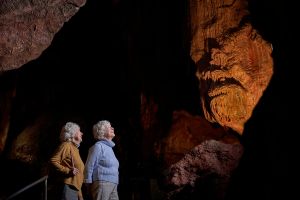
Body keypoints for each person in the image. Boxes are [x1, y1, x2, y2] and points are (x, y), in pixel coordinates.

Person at [84, 120, 119, 200]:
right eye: (109, 127)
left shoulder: (110, 149)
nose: (112, 128)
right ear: (102, 131)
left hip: (114, 184)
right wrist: (88, 183)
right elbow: (89, 165)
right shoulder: (98, 146)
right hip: (102, 183)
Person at [49, 122, 85, 200]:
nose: (82, 133)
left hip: (74, 189)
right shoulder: (66, 145)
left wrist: (80, 195)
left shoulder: (75, 149)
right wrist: (68, 170)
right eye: (79, 131)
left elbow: (77, 176)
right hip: (68, 187)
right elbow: (53, 161)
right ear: (73, 133)